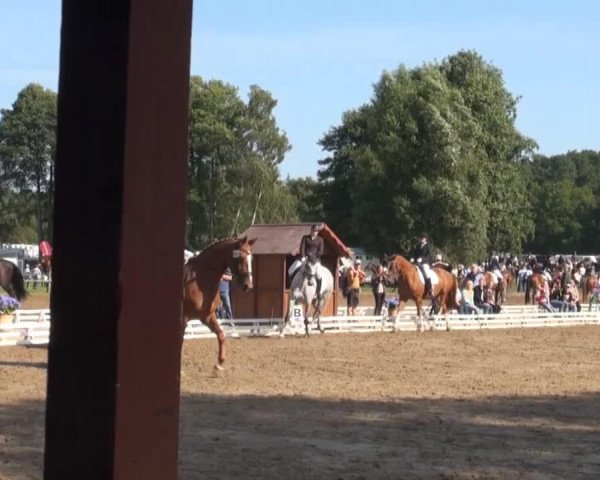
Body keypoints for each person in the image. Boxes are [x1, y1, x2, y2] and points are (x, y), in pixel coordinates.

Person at [299, 223, 325, 299]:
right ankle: (297, 290)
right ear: (311, 230)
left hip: (316, 260)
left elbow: (321, 251)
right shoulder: (305, 238)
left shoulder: (320, 239)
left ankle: (318, 292)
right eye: (313, 230)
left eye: (316, 231)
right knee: (298, 270)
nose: (315, 232)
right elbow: (302, 248)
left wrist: (314, 258)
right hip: (306, 259)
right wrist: (303, 257)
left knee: (319, 275)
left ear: (318, 232)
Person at [410, 235, 435, 307]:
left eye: (422, 238)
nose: (421, 239)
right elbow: (414, 253)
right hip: (417, 263)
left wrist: (422, 259)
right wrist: (412, 257)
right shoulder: (418, 246)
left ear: (425, 239)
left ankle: (430, 289)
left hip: (425, 263)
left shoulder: (428, 246)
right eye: (420, 238)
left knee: (426, 273)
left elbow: (429, 256)